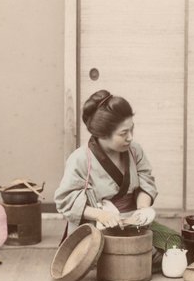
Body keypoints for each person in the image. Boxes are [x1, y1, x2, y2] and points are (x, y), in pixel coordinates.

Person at [54, 90, 181, 270]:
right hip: (95, 226)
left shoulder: (135, 150)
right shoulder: (81, 159)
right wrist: (101, 215)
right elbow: (65, 201)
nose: (130, 137)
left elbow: (146, 179)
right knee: (117, 256)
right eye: (123, 133)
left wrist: (143, 209)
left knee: (177, 245)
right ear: (103, 134)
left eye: (132, 129)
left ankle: (135, 257)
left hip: (131, 222)